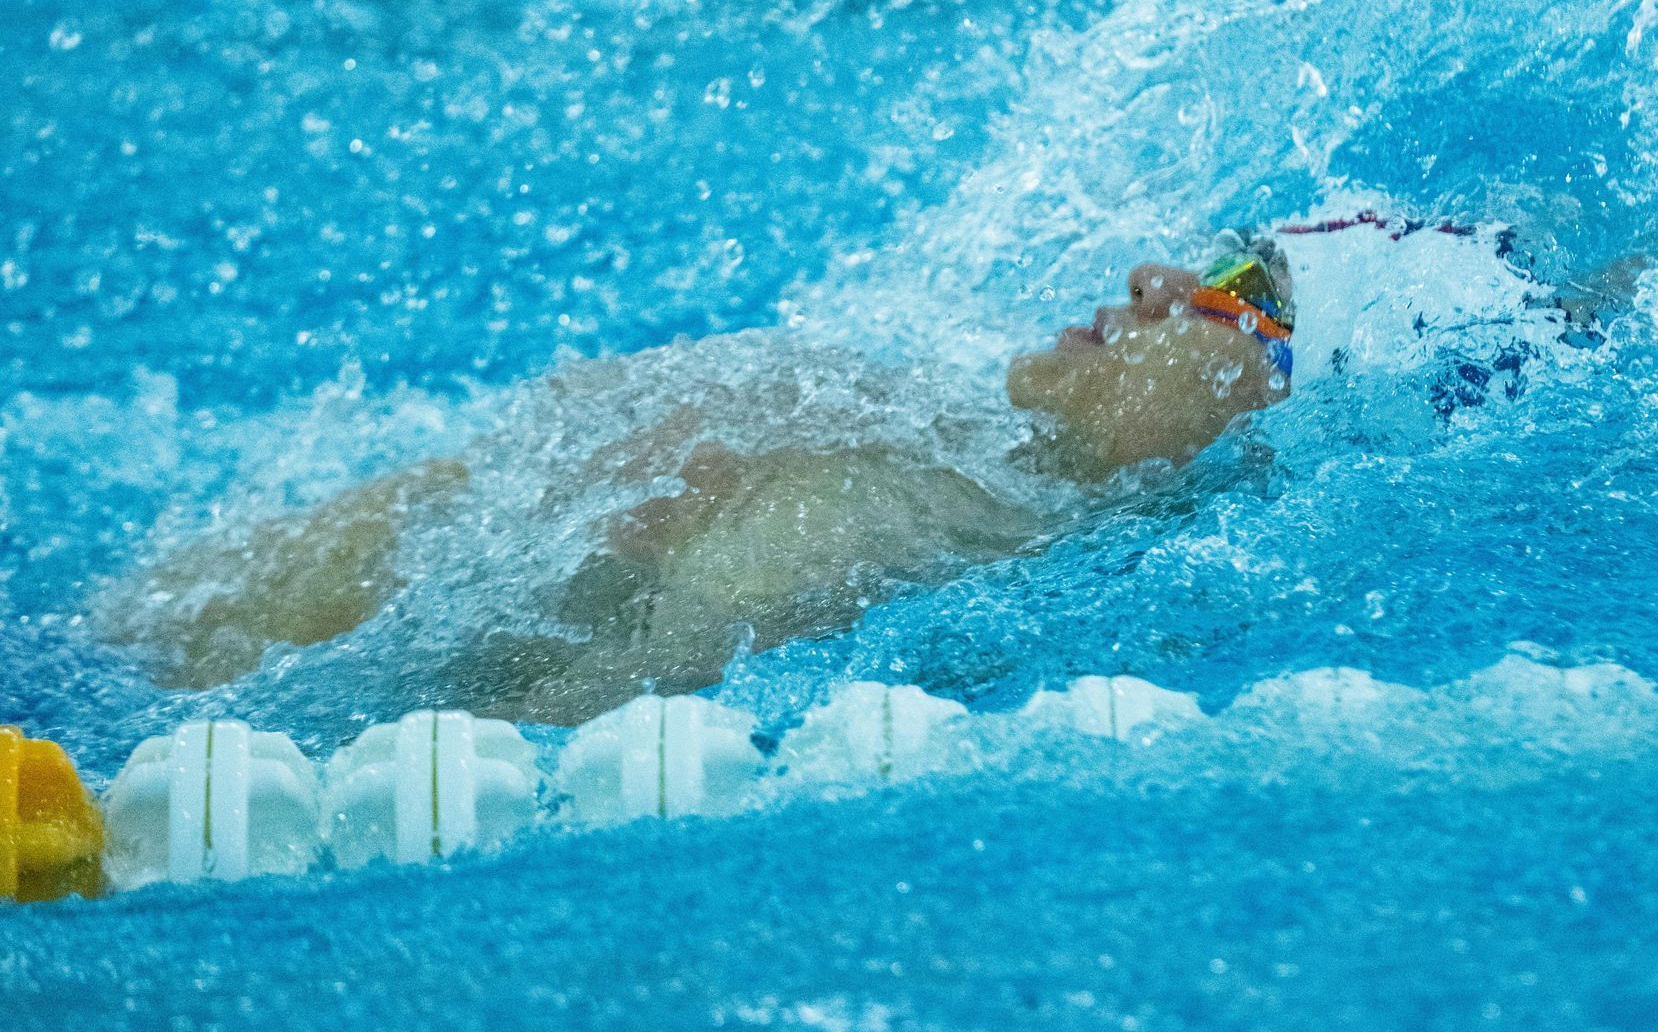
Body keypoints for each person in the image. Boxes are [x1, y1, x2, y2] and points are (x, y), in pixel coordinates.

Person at [96, 241, 1294, 725]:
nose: (1159, 277)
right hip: (210, 612)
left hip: (210, 703)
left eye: (1243, 291)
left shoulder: (946, 543)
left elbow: (527, 721)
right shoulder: (972, 459)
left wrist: (614, 572)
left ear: (1263, 417)